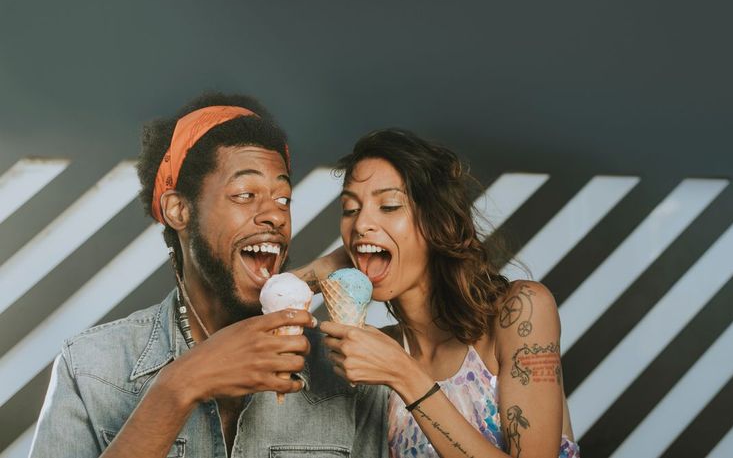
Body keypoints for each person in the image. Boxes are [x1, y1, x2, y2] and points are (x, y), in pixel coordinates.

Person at [28, 93, 388, 458]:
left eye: (283, 199)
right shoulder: (90, 369)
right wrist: (179, 386)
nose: (276, 216)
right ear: (178, 210)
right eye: (245, 194)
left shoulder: (349, 373)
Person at [320, 129, 580, 458]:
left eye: (388, 205)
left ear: (436, 223)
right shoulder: (377, 354)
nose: (360, 225)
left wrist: (404, 375)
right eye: (350, 209)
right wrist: (322, 268)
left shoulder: (518, 313)